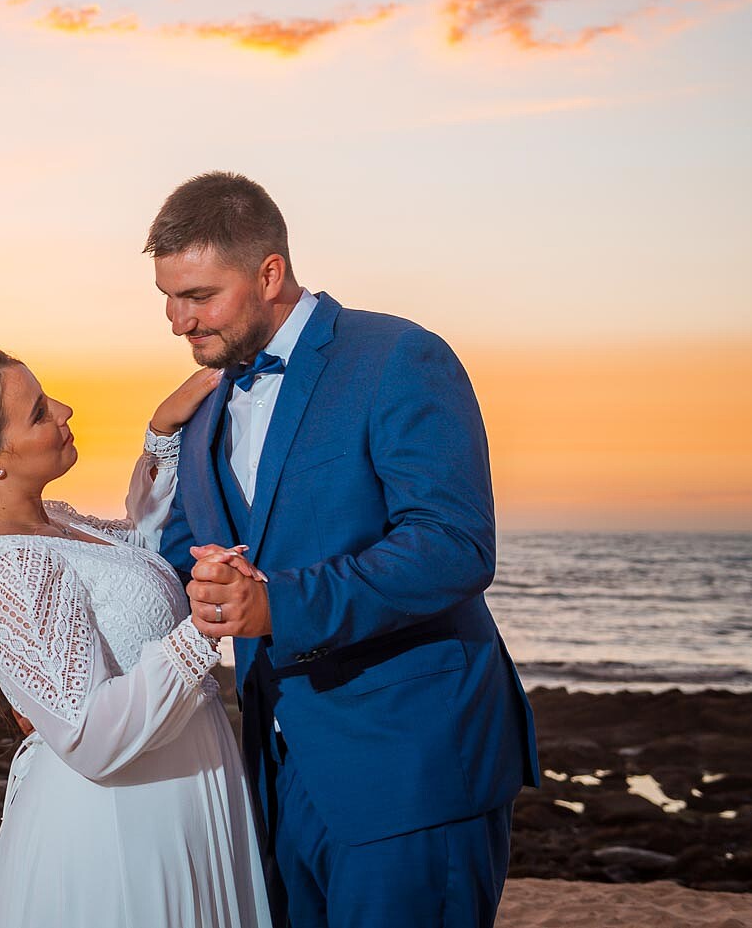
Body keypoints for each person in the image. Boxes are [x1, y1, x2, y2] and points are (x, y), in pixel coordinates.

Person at [150, 172, 540, 928]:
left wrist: (279, 604)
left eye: (198, 295)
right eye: (167, 297)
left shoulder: (398, 355)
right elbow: (173, 560)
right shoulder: (201, 410)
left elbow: (453, 543)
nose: (177, 321)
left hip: (411, 767)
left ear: (269, 273)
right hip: (276, 772)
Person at [0, 348, 271, 927]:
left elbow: (142, 561)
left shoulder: (62, 523)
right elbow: (92, 737)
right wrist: (203, 627)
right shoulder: (6, 571)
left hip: (181, 786)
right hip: (123, 818)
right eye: (39, 412)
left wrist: (163, 435)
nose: (64, 409)